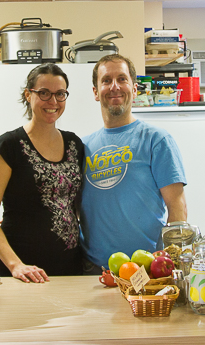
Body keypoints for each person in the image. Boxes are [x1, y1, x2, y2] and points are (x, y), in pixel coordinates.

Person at [79, 54, 188, 275]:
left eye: (122, 79)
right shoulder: (82, 147)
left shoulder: (156, 140)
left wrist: (164, 261)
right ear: (95, 92)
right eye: (106, 80)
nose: (114, 87)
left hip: (146, 269)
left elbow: (177, 209)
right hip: (93, 272)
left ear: (135, 89)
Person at [0, 64, 84, 283]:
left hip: (70, 270)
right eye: (44, 93)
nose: (53, 102)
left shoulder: (75, 144)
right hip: (20, 275)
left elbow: (79, 207)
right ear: (28, 94)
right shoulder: (8, 146)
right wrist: (16, 265)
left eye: (60, 94)